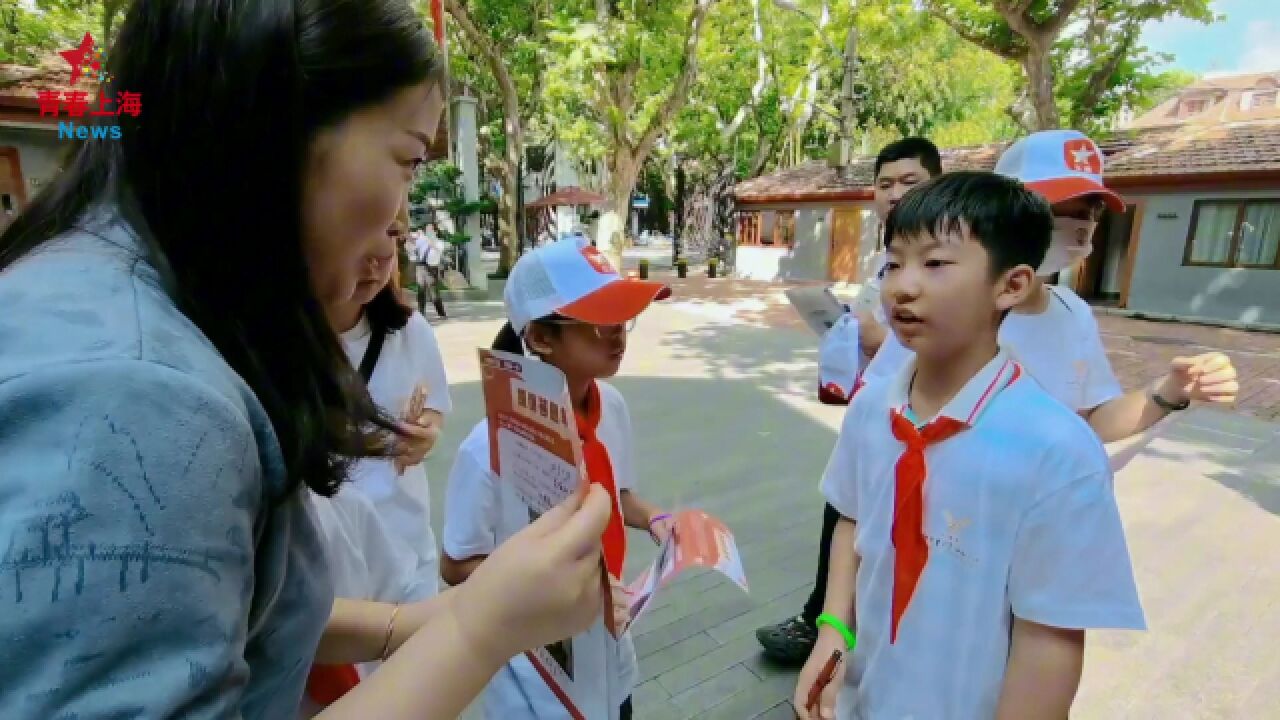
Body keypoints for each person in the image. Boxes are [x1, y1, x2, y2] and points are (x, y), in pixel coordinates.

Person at [0, 2, 610, 718]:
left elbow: (213, 597)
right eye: (408, 159)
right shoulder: (136, 396)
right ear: (279, 129)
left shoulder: (106, 298)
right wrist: (483, 630)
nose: (395, 221)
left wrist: (414, 626)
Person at [795, 171, 1146, 720]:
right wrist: (833, 634)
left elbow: (1049, 638)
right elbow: (849, 521)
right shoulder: (872, 409)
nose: (902, 287)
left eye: (935, 263)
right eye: (894, 263)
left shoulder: (1056, 450)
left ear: (1012, 284)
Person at [862, 129, 1239, 441]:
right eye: (1055, 208)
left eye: (1088, 211)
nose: (1077, 226)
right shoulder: (950, 310)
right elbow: (874, 421)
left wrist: (1170, 391)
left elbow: (1090, 422)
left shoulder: (1073, 312)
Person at [441, 237, 675, 719]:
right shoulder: (488, 447)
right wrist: (555, 589)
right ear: (541, 338)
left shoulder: (611, 407)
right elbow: (457, 563)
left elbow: (618, 496)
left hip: (611, 650)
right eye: (597, 321)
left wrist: (659, 520)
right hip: (535, 670)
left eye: (623, 316)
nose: (618, 335)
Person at [756, 137, 942, 665]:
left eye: (911, 182)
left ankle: (851, 632)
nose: (895, 194)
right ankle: (826, 626)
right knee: (843, 514)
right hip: (874, 419)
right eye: (885, 184)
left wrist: (878, 342)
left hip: (923, 429)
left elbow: (937, 349)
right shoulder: (880, 262)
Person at [305, 212, 452, 710]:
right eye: (360, 235)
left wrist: (423, 435)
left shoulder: (410, 331)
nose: (379, 257)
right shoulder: (286, 340)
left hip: (405, 547)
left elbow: (434, 411)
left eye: (392, 236)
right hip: (329, 568)